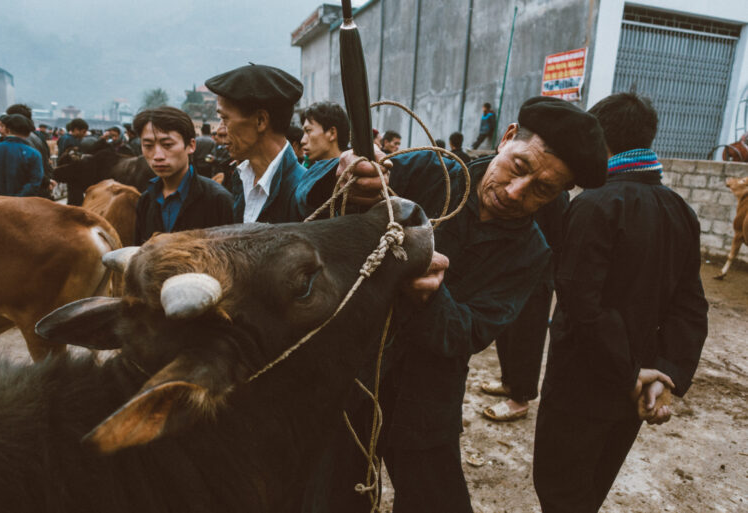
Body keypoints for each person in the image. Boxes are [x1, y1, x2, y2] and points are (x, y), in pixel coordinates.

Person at [301, 96, 609, 513]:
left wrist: (430, 296)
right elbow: (309, 204)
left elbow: (468, 333)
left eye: (542, 191)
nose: (516, 193)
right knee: (332, 497)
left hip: (428, 399)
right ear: (508, 138)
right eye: (519, 168)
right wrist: (346, 179)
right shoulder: (428, 170)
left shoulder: (532, 254)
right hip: (352, 377)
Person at [532, 92, 709, 513]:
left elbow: (581, 303)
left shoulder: (594, 204)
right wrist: (663, 374)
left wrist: (630, 373)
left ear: (599, 139)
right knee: (588, 493)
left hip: (583, 387)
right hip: (633, 396)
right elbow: (691, 306)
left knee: (558, 491)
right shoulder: (680, 210)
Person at [481, 192, 569, 421]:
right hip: (511, 267)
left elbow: (559, 239)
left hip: (537, 272)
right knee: (505, 330)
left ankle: (520, 398)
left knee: (526, 335)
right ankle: (509, 382)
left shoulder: (555, 193)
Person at [205, 63, 306, 223]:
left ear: (260, 121)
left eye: (225, 119)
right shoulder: (239, 179)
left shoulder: (303, 195)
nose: (220, 131)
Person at [133, 106, 235, 245]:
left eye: (167, 145)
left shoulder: (218, 200)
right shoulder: (145, 201)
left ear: (191, 145)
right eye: (148, 145)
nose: (158, 156)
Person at [0, 113, 44, 197]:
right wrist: (17, 198)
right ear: (28, 133)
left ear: (7, 130)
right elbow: (34, 182)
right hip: (21, 205)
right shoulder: (33, 154)